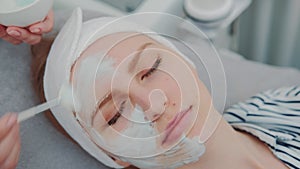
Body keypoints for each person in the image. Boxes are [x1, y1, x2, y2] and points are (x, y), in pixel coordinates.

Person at [29, 9, 299, 169]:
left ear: (187, 62)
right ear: (111, 156)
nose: (153, 105)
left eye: (151, 69)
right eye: (115, 115)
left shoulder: (280, 102)